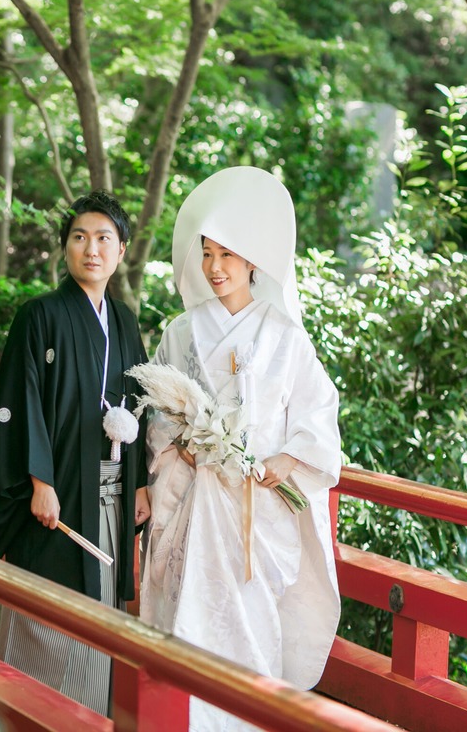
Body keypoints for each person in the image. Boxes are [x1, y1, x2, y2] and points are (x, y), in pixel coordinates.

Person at [138, 167, 342, 730]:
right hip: (195, 498)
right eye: (206, 253)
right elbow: (159, 417)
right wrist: (183, 444)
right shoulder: (181, 332)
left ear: (253, 259)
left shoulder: (285, 337)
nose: (215, 267)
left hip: (255, 508)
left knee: (250, 623)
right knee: (188, 615)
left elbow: (317, 414)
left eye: (228, 253)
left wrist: (287, 458)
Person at [0, 190, 151, 716]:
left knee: (99, 615)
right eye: (80, 238)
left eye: (104, 239)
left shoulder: (123, 320)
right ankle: (31, 714)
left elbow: (142, 401)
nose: (91, 249)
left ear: (121, 251)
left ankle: (88, 716)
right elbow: (19, 402)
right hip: (55, 500)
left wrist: (141, 482)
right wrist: (39, 481)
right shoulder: (40, 316)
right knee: (49, 612)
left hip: (111, 494)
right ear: (65, 248)